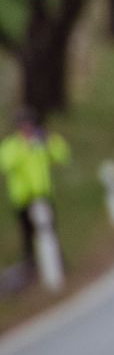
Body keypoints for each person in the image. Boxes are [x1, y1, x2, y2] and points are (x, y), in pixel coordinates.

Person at [2, 108, 71, 277]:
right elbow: (6, 164)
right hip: (23, 198)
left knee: (50, 231)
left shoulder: (41, 143)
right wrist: (26, 146)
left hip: (43, 195)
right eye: (24, 124)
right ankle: (31, 266)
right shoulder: (12, 145)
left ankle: (57, 265)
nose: (27, 128)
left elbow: (62, 156)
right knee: (28, 236)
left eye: (30, 124)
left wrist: (50, 140)